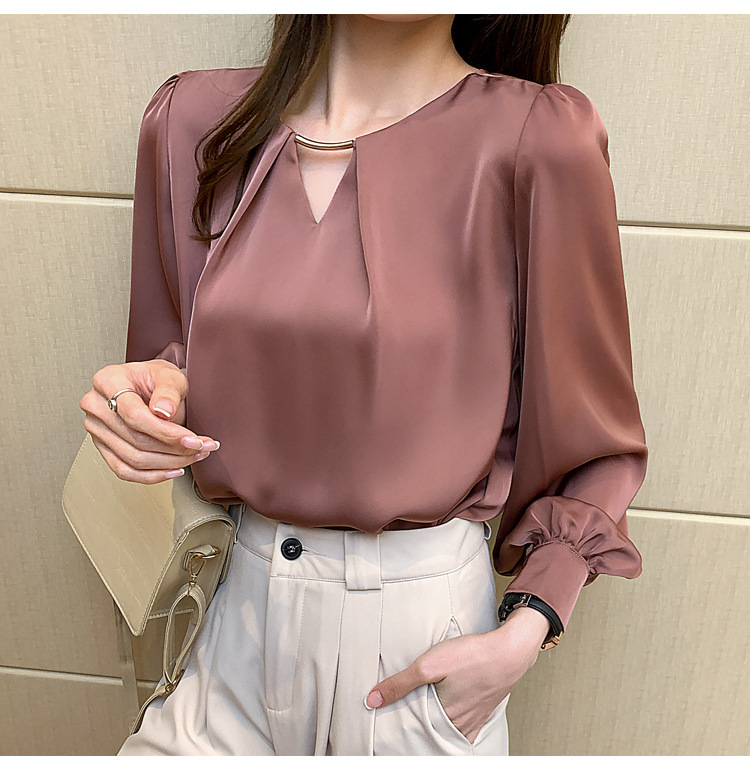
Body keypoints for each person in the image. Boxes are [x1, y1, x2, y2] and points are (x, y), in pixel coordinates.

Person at [80, 14, 648, 756]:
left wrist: (528, 626)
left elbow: (595, 442)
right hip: (229, 619)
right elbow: (170, 362)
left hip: (415, 651)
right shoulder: (190, 121)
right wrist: (140, 404)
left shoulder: (538, 140)